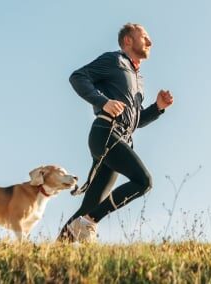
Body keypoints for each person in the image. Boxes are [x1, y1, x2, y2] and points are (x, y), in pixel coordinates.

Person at [57, 23, 174, 242]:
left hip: (121, 138)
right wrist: (103, 102)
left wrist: (157, 108)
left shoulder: (138, 79)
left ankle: (54, 253)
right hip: (106, 132)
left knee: (89, 206)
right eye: (145, 37)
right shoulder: (114, 60)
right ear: (128, 40)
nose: (150, 42)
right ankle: (91, 221)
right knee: (143, 181)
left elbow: (135, 121)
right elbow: (77, 77)